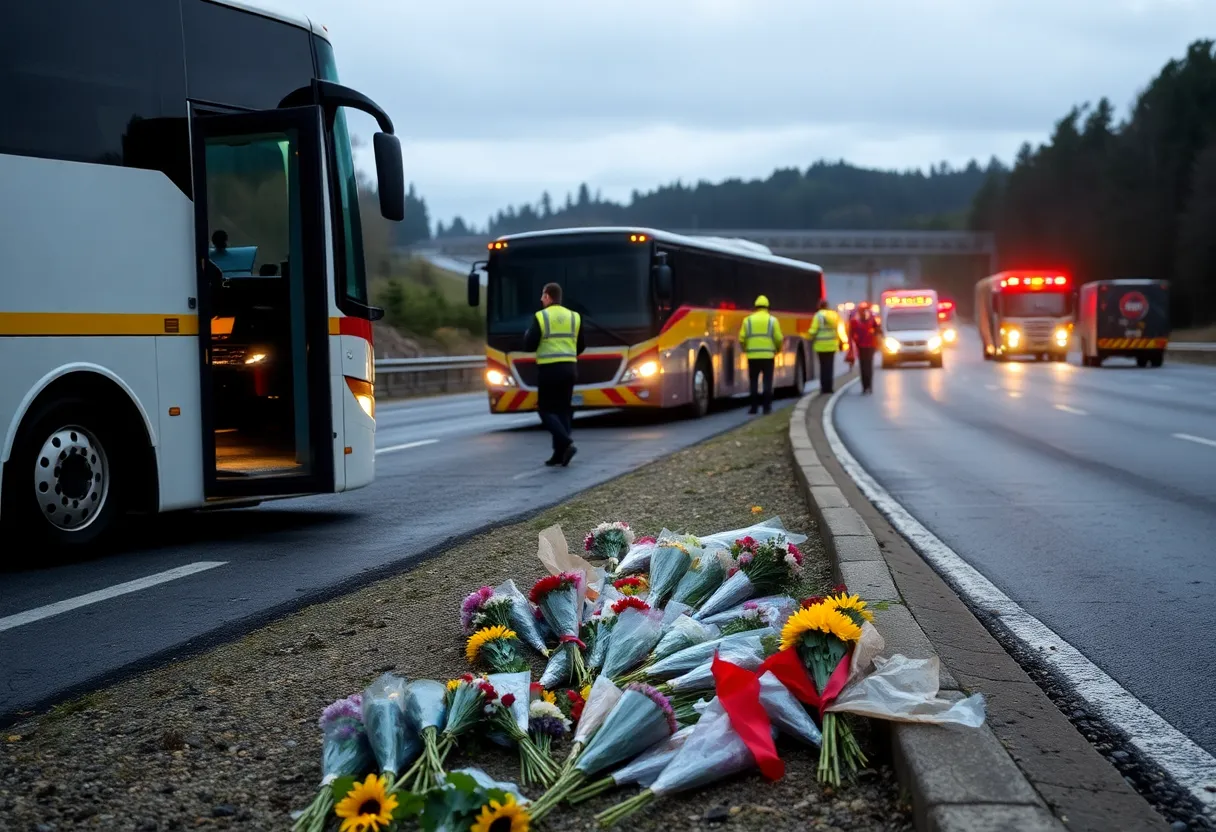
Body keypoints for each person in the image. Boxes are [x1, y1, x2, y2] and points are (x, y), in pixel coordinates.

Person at [522, 282, 584, 466]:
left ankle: (566, 443)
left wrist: (527, 337)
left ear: (548, 296)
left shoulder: (541, 317)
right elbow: (581, 345)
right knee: (563, 410)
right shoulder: (574, 317)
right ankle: (559, 454)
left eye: (543, 296)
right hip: (570, 369)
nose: (541, 299)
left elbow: (530, 344)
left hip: (549, 369)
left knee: (545, 410)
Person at [738, 295, 784, 415]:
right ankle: (766, 408)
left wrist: (746, 349)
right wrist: (777, 350)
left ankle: (754, 408)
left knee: (753, 382)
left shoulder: (747, 320)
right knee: (767, 382)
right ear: (767, 307)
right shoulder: (772, 320)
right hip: (768, 356)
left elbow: (741, 338)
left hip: (752, 356)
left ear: (755, 307)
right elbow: (779, 338)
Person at [808, 300, 844, 394]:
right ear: (827, 306)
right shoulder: (834, 315)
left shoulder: (818, 316)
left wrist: (808, 336)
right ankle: (829, 388)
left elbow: (813, 330)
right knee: (830, 367)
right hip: (832, 345)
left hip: (820, 346)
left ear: (820, 306)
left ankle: (824, 388)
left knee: (823, 368)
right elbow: (839, 329)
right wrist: (842, 341)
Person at [849, 302, 883, 395]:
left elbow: (851, 334)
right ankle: (868, 387)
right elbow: (878, 330)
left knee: (864, 366)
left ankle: (866, 387)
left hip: (864, 346)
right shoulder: (870, 319)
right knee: (867, 366)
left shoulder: (856, 320)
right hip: (867, 346)